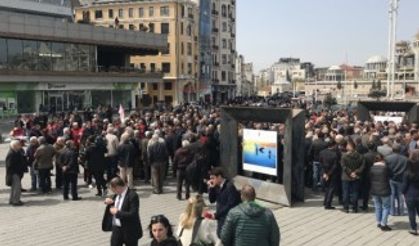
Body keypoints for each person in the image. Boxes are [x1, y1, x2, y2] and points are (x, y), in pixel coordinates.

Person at [103, 177, 142, 246]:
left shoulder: (132, 196)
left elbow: (133, 214)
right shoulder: (117, 195)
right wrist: (111, 203)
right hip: (117, 228)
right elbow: (118, 205)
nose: (113, 192)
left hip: (129, 230)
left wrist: (118, 213)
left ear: (118, 187)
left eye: (113, 190)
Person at [207, 167, 241, 236]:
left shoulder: (229, 187)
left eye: (213, 178)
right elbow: (211, 200)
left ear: (219, 177)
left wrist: (217, 214)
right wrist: (211, 188)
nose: (211, 180)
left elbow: (230, 205)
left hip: (228, 219)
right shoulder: (216, 186)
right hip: (221, 217)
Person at [341, 140, 365, 213]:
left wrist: (350, 172)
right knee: (355, 192)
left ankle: (346, 208)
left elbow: (343, 166)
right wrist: (356, 172)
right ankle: (355, 208)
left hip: (346, 176)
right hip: (356, 176)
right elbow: (362, 166)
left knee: (346, 192)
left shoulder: (344, 156)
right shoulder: (361, 156)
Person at [370, 154, 392, 231]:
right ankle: (383, 224)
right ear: (382, 160)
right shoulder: (385, 168)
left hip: (374, 190)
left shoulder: (371, 168)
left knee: (378, 206)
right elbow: (391, 176)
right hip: (384, 189)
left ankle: (378, 222)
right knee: (386, 206)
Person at [385, 144, 408, 216]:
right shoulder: (405, 159)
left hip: (391, 178)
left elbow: (386, 169)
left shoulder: (387, 158)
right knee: (400, 195)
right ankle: (401, 212)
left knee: (392, 195)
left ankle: (392, 211)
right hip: (401, 179)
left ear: (392, 150)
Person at [402, 150, 419, 235]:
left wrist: (403, 192)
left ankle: (413, 228)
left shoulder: (407, 173)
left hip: (410, 194)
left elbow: (404, 186)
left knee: (411, 212)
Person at [319, 140, 339, 209]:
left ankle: (325, 201)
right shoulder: (334, 154)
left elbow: (321, 163)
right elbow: (335, 166)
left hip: (324, 172)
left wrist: (325, 173)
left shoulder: (322, 152)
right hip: (332, 174)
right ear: (333, 145)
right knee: (331, 188)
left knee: (327, 188)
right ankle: (328, 204)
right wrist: (328, 174)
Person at [5, 140, 27, 206]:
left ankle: (12, 200)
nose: (20, 146)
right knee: (16, 187)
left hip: (16, 173)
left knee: (15, 187)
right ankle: (15, 201)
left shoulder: (16, 152)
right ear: (15, 146)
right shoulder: (11, 154)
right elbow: (9, 165)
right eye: (19, 145)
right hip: (14, 173)